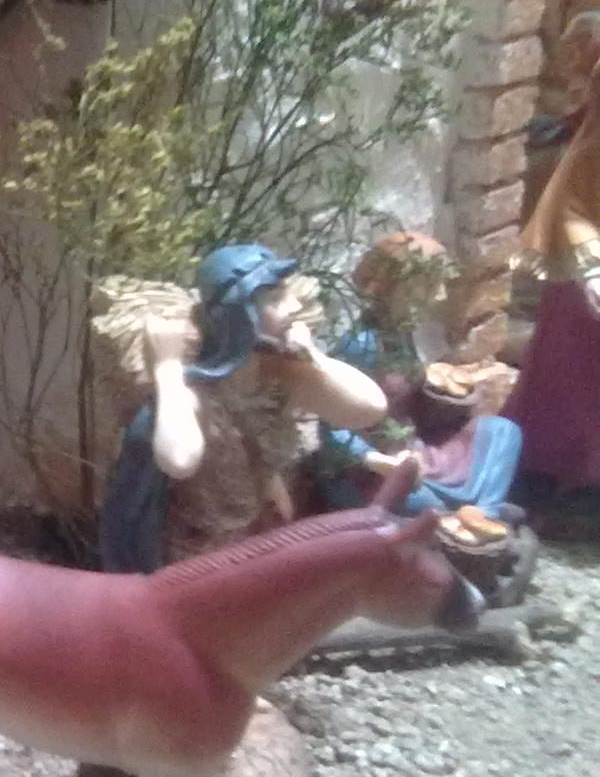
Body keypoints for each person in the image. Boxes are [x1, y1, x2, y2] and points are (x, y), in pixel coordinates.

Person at [100, 243, 389, 572]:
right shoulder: (192, 396)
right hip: (199, 567)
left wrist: (314, 356)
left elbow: (370, 408)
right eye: (275, 299)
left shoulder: (281, 378)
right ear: (237, 317)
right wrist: (167, 369)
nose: (295, 306)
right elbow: (178, 461)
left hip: (264, 546)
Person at [313, 232, 522, 529]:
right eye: (432, 286)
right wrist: (375, 460)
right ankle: (457, 518)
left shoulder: (402, 334)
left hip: (412, 446)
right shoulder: (360, 345)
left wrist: (443, 400)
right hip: (370, 467)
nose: (440, 296)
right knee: (427, 506)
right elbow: (329, 427)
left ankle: (482, 514)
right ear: (402, 286)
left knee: (502, 431)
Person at [503, 11, 600, 519]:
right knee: (566, 373)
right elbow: (572, 206)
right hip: (583, 279)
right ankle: (547, 473)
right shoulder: (589, 155)